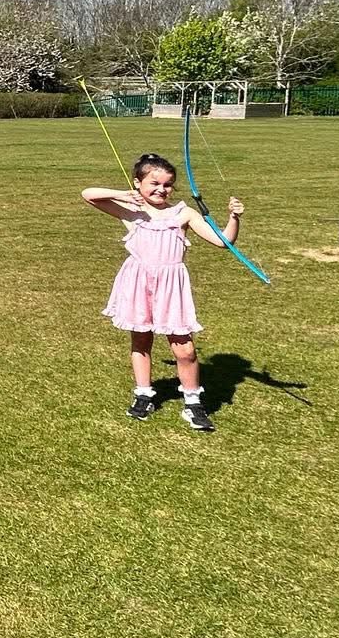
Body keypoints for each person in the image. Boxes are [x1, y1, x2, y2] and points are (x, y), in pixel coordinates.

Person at [82, 153, 246, 432]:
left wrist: (234, 217)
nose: (161, 189)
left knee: (185, 349)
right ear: (139, 183)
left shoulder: (184, 213)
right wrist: (125, 194)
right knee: (141, 340)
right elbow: (88, 194)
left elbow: (224, 242)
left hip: (171, 287)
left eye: (168, 185)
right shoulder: (131, 210)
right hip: (138, 282)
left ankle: (193, 403)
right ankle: (143, 394)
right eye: (154, 183)